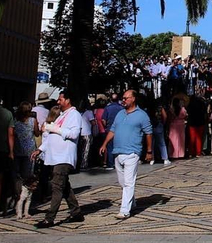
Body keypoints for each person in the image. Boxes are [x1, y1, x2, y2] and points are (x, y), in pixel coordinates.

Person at [98, 88, 152, 219]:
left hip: (132, 152)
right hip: (117, 151)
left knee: (128, 182)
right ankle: (131, 202)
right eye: (123, 98)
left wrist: (149, 151)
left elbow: (148, 133)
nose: (123, 100)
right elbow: (113, 130)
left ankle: (124, 210)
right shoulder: (120, 114)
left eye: (126, 98)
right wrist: (104, 144)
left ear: (133, 99)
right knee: (122, 182)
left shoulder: (142, 115)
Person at [36, 91, 86, 228]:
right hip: (55, 156)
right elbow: (51, 135)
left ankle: (50, 218)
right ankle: (76, 213)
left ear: (68, 100)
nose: (58, 102)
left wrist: (56, 129)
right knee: (64, 186)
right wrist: (40, 149)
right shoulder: (62, 116)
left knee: (56, 186)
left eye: (60, 99)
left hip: (64, 156)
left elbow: (74, 133)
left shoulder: (74, 115)